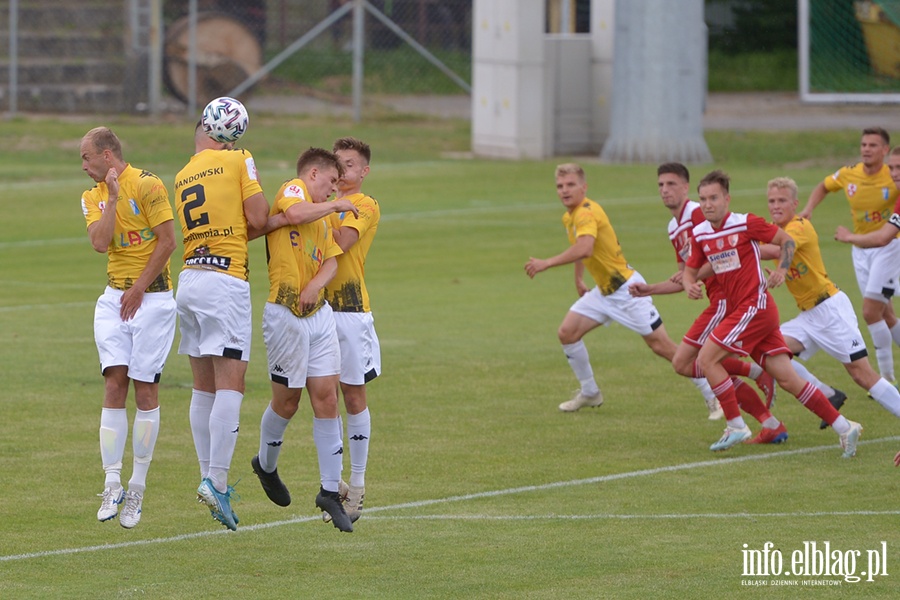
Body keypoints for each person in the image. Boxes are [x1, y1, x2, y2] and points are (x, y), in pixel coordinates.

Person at [684, 170, 862, 456]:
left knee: (706, 359)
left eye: (714, 198)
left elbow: (786, 242)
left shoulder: (745, 223)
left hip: (753, 307)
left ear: (727, 199)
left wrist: (781, 269)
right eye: (703, 198)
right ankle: (844, 426)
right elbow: (691, 268)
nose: (707, 204)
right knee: (789, 379)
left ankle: (736, 424)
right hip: (752, 312)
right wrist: (689, 284)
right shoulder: (702, 232)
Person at [524, 163, 712, 412]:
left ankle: (711, 393)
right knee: (567, 333)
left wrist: (546, 262)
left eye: (570, 185)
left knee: (663, 347)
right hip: (604, 292)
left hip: (626, 290)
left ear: (584, 187)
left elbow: (585, 247)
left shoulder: (586, 212)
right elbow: (583, 248)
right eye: (560, 186)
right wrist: (578, 279)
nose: (564, 190)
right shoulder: (570, 216)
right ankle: (590, 392)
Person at [249, 147, 360, 533]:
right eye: (331, 183)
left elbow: (330, 260)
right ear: (313, 174)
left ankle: (330, 490)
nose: (333, 191)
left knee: (327, 397)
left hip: (319, 316)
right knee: (288, 402)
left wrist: (315, 284)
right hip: (284, 316)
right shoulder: (294, 191)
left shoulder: (323, 218)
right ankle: (265, 464)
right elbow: (293, 215)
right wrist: (335, 205)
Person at [174, 121, 270, 531]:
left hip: (190, 279)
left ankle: (208, 478)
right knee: (232, 384)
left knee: (203, 387)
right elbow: (259, 218)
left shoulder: (183, 174)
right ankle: (216, 480)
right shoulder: (239, 158)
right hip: (225, 281)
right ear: (228, 137)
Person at [630, 163, 778, 426]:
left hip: (725, 300)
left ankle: (753, 380)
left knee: (689, 363)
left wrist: (776, 254)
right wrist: (651, 289)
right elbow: (687, 275)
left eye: (671, 184)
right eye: (661, 185)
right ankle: (769, 423)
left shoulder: (699, 214)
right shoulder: (674, 228)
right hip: (715, 300)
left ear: (686, 188)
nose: (665, 190)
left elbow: (729, 253)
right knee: (699, 366)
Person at [80, 127, 177, 529]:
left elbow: (168, 241)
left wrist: (139, 288)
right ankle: (112, 481)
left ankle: (137, 488)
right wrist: (114, 199)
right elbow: (101, 244)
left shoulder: (149, 185)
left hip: (152, 300)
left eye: (86, 158)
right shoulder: (93, 197)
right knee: (113, 382)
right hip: (113, 300)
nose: (83, 166)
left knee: (146, 388)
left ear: (107, 155)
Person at [761, 176, 900, 427]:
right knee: (770, 352)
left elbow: (781, 247)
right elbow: (760, 247)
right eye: (772, 201)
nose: (776, 205)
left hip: (831, 310)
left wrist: (776, 267)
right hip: (809, 316)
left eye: (782, 200)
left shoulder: (799, 226)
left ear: (795, 203)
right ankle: (828, 394)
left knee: (861, 374)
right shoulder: (772, 230)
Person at [799, 127, 900, 384]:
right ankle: (887, 375)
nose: (866, 149)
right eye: (864, 144)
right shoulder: (849, 173)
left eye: (873, 145)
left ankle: (885, 377)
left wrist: (848, 237)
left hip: (888, 247)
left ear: (885, 151)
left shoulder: (893, 177)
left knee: (869, 311)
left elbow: (884, 236)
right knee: (884, 314)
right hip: (862, 252)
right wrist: (809, 208)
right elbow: (823, 185)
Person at [320, 137, 381, 524]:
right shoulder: (324, 203)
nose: (343, 172)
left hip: (351, 310)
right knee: (323, 397)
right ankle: (333, 485)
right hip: (318, 311)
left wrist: (316, 211)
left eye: (349, 164)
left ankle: (356, 486)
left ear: (363, 171)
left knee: (352, 394)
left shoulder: (363, 205)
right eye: (337, 165)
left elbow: (342, 242)